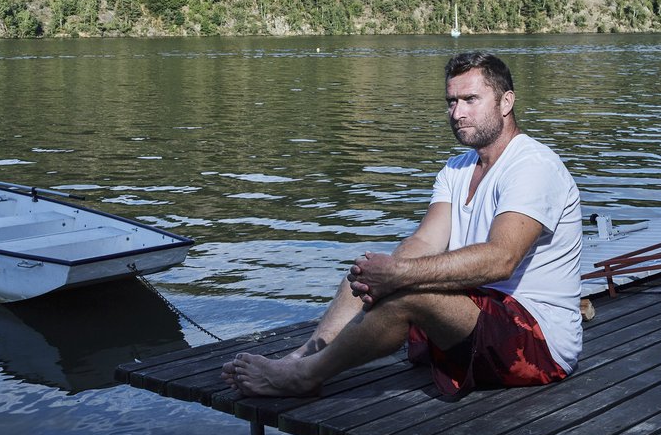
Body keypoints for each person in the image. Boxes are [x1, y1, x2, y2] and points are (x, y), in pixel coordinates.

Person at [222, 51, 583, 397]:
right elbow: (426, 241)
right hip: (475, 315)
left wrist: (401, 277)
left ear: (506, 103)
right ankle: (300, 357)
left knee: (407, 291)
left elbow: (501, 259)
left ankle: (304, 377)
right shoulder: (457, 168)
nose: (457, 113)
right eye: (451, 101)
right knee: (362, 275)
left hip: (535, 342)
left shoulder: (532, 165)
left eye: (471, 99)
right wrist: (384, 273)